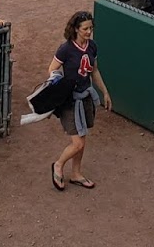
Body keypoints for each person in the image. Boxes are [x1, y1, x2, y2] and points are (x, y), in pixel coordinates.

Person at [49, 11, 112, 192]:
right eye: (85, 29)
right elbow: (52, 69)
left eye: (91, 28)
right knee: (78, 143)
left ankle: (76, 173)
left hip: (85, 97)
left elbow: (94, 71)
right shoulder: (66, 49)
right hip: (70, 101)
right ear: (76, 29)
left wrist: (105, 92)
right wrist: (60, 85)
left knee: (82, 138)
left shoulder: (92, 46)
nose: (89, 32)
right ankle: (58, 165)